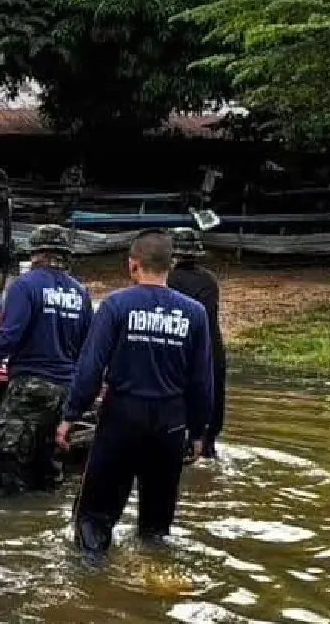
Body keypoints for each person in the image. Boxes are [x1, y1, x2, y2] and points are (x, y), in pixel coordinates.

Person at [58, 229, 213, 553]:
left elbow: (89, 369)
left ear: (133, 265)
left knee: (94, 518)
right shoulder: (195, 313)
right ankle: (153, 580)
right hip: (170, 424)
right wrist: (199, 432)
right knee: (156, 526)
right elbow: (202, 380)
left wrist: (70, 415)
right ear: (169, 266)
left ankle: (90, 584)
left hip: (121, 418)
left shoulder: (116, 305)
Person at [0, 225, 94, 496]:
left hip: (30, 386)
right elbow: (87, 347)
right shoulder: (81, 293)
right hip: (66, 390)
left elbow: (8, 337)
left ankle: (13, 515)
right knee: (49, 464)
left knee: (11, 458)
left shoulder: (25, 285)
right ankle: (45, 516)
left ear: (36, 253)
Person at [166, 228, 227, 459]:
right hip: (213, 354)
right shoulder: (210, 280)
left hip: (182, 357)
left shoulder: (168, 281)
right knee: (206, 437)